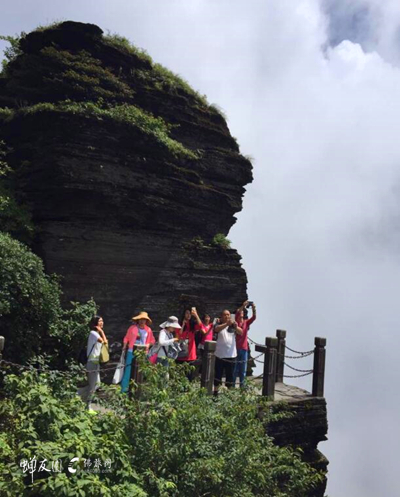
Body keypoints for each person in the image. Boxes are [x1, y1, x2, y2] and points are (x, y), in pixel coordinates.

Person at [77, 315, 107, 412]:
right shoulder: (93, 333)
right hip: (91, 362)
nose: (102, 323)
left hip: (95, 362)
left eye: (102, 321)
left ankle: (78, 394)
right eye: (100, 321)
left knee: (96, 385)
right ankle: (87, 406)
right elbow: (104, 341)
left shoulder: (96, 333)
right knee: (92, 386)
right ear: (95, 323)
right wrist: (101, 331)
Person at [121, 311, 155, 393]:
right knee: (128, 370)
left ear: (146, 321)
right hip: (131, 351)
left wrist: (148, 345)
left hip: (142, 352)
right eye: (141, 319)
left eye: (144, 319)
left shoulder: (148, 330)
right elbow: (126, 338)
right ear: (138, 320)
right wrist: (124, 346)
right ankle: (124, 390)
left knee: (139, 371)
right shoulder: (132, 328)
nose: (142, 321)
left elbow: (152, 340)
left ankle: (136, 390)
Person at [214, 310, 242, 390]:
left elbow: (241, 332)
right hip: (220, 355)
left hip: (231, 355)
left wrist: (235, 327)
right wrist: (226, 324)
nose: (227, 316)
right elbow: (216, 329)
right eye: (225, 315)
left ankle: (229, 394)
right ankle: (215, 392)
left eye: (228, 315)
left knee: (230, 376)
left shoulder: (233, 325)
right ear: (221, 316)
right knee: (218, 375)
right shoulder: (218, 323)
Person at [234, 300, 257, 388]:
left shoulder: (246, 322)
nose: (241, 313)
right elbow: (237, 312)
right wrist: (243, 305)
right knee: (235, 369)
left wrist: (254, 308)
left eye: (243, 312)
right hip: (236, 348)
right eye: (241, 312)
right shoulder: (236, 321)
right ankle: (232, 385)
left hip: (244, 348)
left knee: (242, 370)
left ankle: (242, 386)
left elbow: (254, 317)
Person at [176, 308, 198, 380]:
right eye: (187, 313)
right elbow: (178, 335)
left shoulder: (193, 325)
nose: (188, 315)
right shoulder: (179, 324)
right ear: (183, 314)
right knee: (180, 375)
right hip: (181, 352)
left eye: (190, 313)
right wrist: (183, 325)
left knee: (189, 375)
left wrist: (196, 315)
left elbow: (201, 326)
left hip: (191, 352)